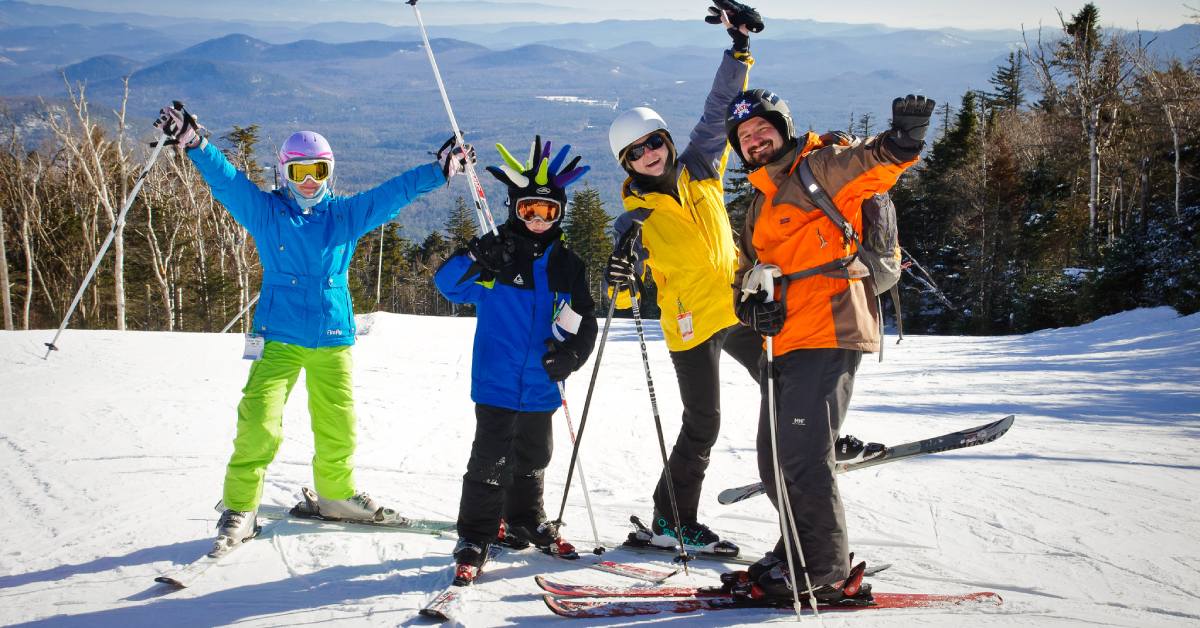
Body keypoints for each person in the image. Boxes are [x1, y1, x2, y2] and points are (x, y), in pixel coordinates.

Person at [604, 0, 879, 556]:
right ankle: (671, 519)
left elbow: (719, 108)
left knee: (784, 380)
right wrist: (622, 276)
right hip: (689, 324)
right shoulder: (632, 217)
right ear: (627, 164)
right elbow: (623, 284)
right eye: (636, 153)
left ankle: (818, 441)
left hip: (737, 305)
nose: (650, 155)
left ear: (665, 141)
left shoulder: (700, 164)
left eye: (654, 142)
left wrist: (739, 49)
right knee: (703, 424)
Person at [154, 105, 472, 553]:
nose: (309, 180)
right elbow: (227, 183)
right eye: (300, 170)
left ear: (329, 172)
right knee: (258, 422)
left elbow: (392, 194)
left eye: (318, 170)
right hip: (279, 335)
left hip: (332, 337)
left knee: (337, 423)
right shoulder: (267, 213)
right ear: (285, 172)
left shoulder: (343, 215)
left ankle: (336, 495)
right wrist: (195, 144)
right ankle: (241, 506)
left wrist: (439, 171)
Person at [724, 88, 935, 603]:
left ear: (783, 126)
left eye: (761, 129)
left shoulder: (820, 167)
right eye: (744, 137)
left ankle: (825, 572)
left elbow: (873, 165)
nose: (754, 141)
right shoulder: (762, 198)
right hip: (783, 340)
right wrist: (749, 307)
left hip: (829, 330)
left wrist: (904, 140)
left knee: (802, 458)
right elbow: (748, 273)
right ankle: (793, 550)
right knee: (774, 459)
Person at [434, 136, 597, 584]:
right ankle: (476, 535)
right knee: (490, 459)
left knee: (534, 455)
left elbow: (585, 321)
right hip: (497, 380)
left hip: (543, 382)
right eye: (529, 210)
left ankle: (525, 519)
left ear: (559, 213)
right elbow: (446, 286)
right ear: (514, 209)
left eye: (548, 212)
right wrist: (475, 253)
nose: (538, 220)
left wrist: (571, 357)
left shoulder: (568, 264)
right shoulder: (496, 257)